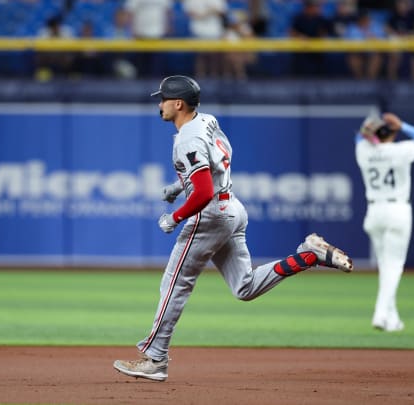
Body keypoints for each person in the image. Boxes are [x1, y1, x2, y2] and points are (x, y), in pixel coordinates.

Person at [113, 75, 354, 382]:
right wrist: (179, 186)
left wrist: (174, 217)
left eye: (163, 99)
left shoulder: (187, 137)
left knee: (175, 283)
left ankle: (155, 358)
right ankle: (308, 255)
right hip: (233, 209)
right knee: (245, 287)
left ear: (178, 104)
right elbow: (216, 163)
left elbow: (201, 193)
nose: (159, 104)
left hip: (210, 214)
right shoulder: (207, 121)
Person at [355, 112, 414, 332]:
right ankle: (380, 314)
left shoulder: (364, 150)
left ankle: (393, 319)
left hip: (374, 212)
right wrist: (403, 124)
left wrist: (369, 129)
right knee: (394, 267)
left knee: (385, 267)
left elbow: (359, 138)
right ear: (393, 133)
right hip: (397, 210)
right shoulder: (400, 150)